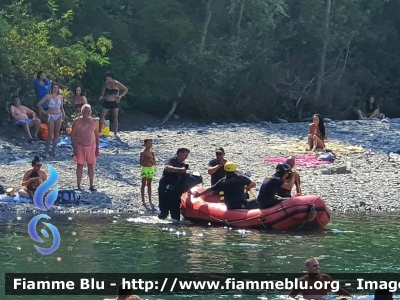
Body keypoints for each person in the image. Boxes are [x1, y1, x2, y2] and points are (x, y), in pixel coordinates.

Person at [193, 162, 259, 209]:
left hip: (229, 206)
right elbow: (253, 184)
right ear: (234, 170)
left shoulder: (222, 181)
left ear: (225, 170)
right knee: (256, 202)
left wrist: (199, 194)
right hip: (239, 205)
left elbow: (211, 189)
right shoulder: (241, 178)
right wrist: (246, 187)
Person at [70, 104, 100, 192]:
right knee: (80, 165)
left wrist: (97, 149)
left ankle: (91, 185)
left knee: (91, 165)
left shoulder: (94, 121)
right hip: (80, 145)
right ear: (82, 112)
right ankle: (78, 185)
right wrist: (74, 148)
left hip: (91, 146)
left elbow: (97, 136)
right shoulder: (77, 121)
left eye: (89, 111)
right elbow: (72, 136)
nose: (87, 113)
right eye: (86, 111)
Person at [158, 147, 191, 221]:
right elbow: (167, 168)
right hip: (165, 187)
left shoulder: (182, 164)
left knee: (175, 213)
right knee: (163, 212)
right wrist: (179, 170)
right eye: (185, 154)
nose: (186, 157)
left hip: (175, 189)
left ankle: (175, 223)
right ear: (179, 153)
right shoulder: (172, 160)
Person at [37, 83, 66, 156]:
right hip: (51, 115)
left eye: (57, 88)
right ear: (52, 88)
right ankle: (46, 151)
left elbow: (61, 107)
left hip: (59, 115)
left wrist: (63, 113)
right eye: (54, 88)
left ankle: (53, 151)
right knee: (50, 133)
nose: (55, 89)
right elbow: (39, 104)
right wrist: (44, 111)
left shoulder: (60, 97)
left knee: (57, 133)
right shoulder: (48, 96)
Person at [99, 71, 128, 138]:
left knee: (115, 117)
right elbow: (103, 91)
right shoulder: (106, 84)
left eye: (108, 78)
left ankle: (115, 133)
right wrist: (102, 96)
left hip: (115, 102)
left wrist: (120, 96)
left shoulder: (117, 83)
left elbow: (125, 89)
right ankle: (100, 132)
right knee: (102, 116)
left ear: (111, 78)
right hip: (107, 102)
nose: (107, 79)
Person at [140, 138, 156, 207]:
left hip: (151, 168)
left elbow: (155, 162)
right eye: (149, 143)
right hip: (145, 169)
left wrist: (152, 161)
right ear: (145, 144)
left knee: (149, 184)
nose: (150, 145)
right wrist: (148, 160)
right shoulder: (142, 153)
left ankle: (150, 199)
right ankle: (143, 200)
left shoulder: (152, 153)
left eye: (151, 143)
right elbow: (141, 163)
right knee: (143, 184)